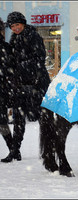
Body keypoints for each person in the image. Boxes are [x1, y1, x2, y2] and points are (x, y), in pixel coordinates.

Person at [1, 11, 51, 162]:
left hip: (37, 84)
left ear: (23, 23)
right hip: (21, 85)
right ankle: (15, 150)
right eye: (12, 26)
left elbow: (39, 59)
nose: (15, 28)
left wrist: (19, 67)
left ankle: (48, 149)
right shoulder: (14, 39)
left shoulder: (33, 36)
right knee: (18, 118)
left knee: (45, 119)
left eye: (17, 24)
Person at [0, 17, 16, 159]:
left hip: (2, 90)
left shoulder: (5, 47)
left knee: (1, 121)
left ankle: (13, 149)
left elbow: (9, 69)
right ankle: (13, 149)